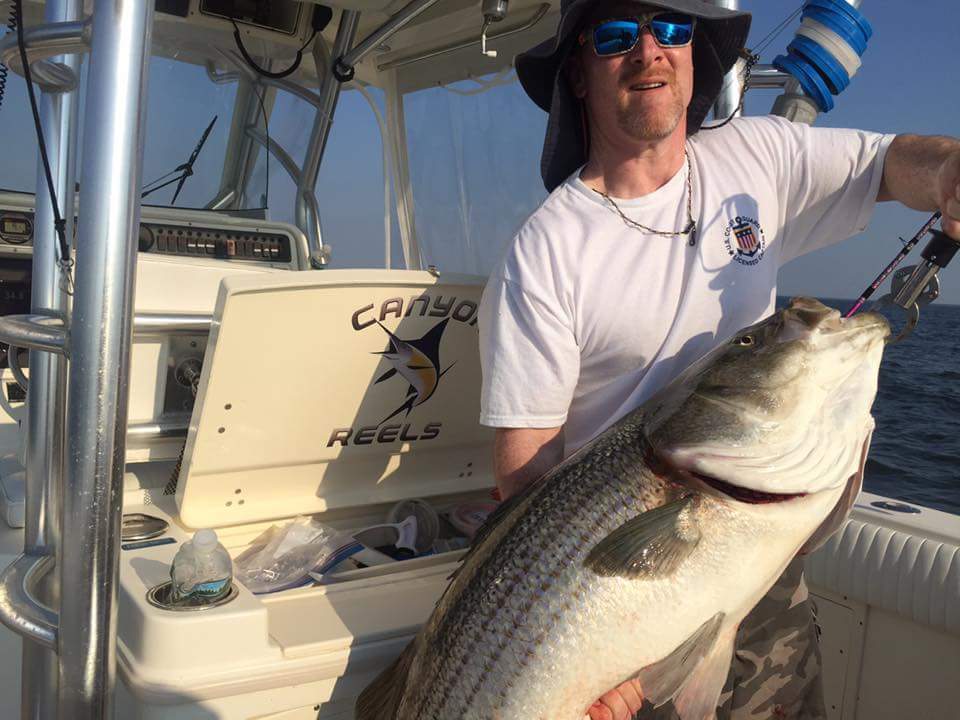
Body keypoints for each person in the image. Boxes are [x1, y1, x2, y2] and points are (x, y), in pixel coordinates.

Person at [477, 1, 960, 718]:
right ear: (578, 76)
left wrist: (949, 168)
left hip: (760, 584)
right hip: (613, 613)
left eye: (671, 30)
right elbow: (525, 474)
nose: (650, 52)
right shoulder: (545, 252)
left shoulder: (755, 155)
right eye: (616, 38)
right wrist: (592, 655)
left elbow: (888, 163)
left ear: (694, 53)